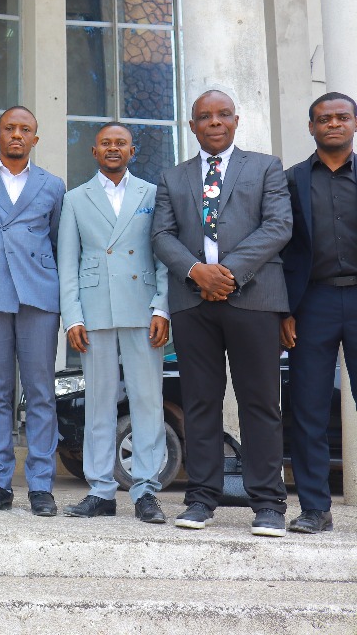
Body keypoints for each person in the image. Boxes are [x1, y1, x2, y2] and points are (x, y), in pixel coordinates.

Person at [152, 89, 291, 536]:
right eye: (204, 117)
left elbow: (278, 226)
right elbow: (161, 235)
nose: (214, 122)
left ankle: (268, 504)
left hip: (253, 298)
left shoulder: (266, 167)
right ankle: (201, 498)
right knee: (199, 403)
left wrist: (226, 273)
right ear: (191, 126)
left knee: (260, 402)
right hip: (194, 302)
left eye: (223, 115)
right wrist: (198, 273)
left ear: (236, 120)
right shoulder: (173, 178)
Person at [57, 122, 170, 523]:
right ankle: (101, 490)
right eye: (106, 143)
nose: (113, 148)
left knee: (147, 400)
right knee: (99, 404)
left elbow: (163, 256)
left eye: (120, 143)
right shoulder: (75, 198)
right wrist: (72, 316)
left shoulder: (153, 195)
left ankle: (146, 491)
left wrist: (162, 308)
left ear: (132, 151)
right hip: (95, 308)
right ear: (94, 151)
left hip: (142, 309)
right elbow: (67, 263)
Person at [0, 106, 65, 517]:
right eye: (10, 129)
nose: (17, 135)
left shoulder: (53, 185)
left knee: (41, 392)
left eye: (25, 130)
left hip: (39, 294)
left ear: (35, 140)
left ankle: (41, 485)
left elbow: (59, 242)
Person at [280, 91, 357, 534]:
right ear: (311, 127)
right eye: (323, 118)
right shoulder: (291, 181)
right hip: (313, 303)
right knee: (308, 407)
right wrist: (284, 310)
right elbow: (282, 249)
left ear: (353, 124)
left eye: (341, 117)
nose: (332, 124)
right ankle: (314, 508)